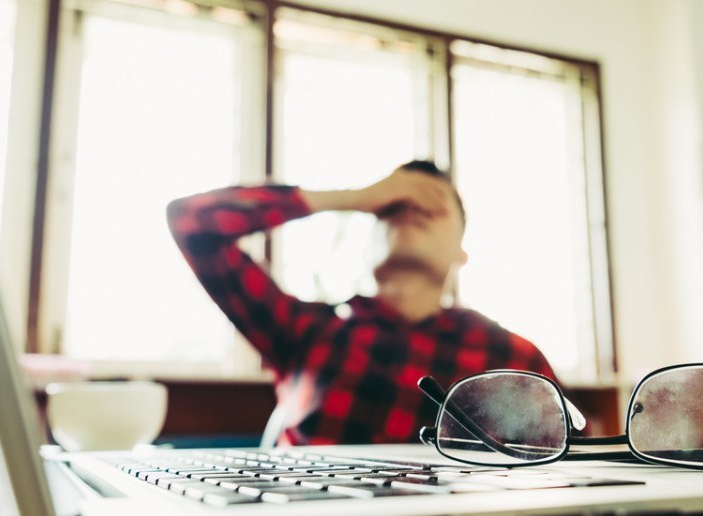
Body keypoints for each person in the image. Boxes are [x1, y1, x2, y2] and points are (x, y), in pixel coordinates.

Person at [166, 160, 559, 445]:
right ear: (369, 239)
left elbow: (568, 473)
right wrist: (354, 197)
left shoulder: (514, 360)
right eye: (393, 205)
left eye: (432, 204)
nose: (411, 209)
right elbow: (190, 221)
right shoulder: (307, 329)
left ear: (461, 252)